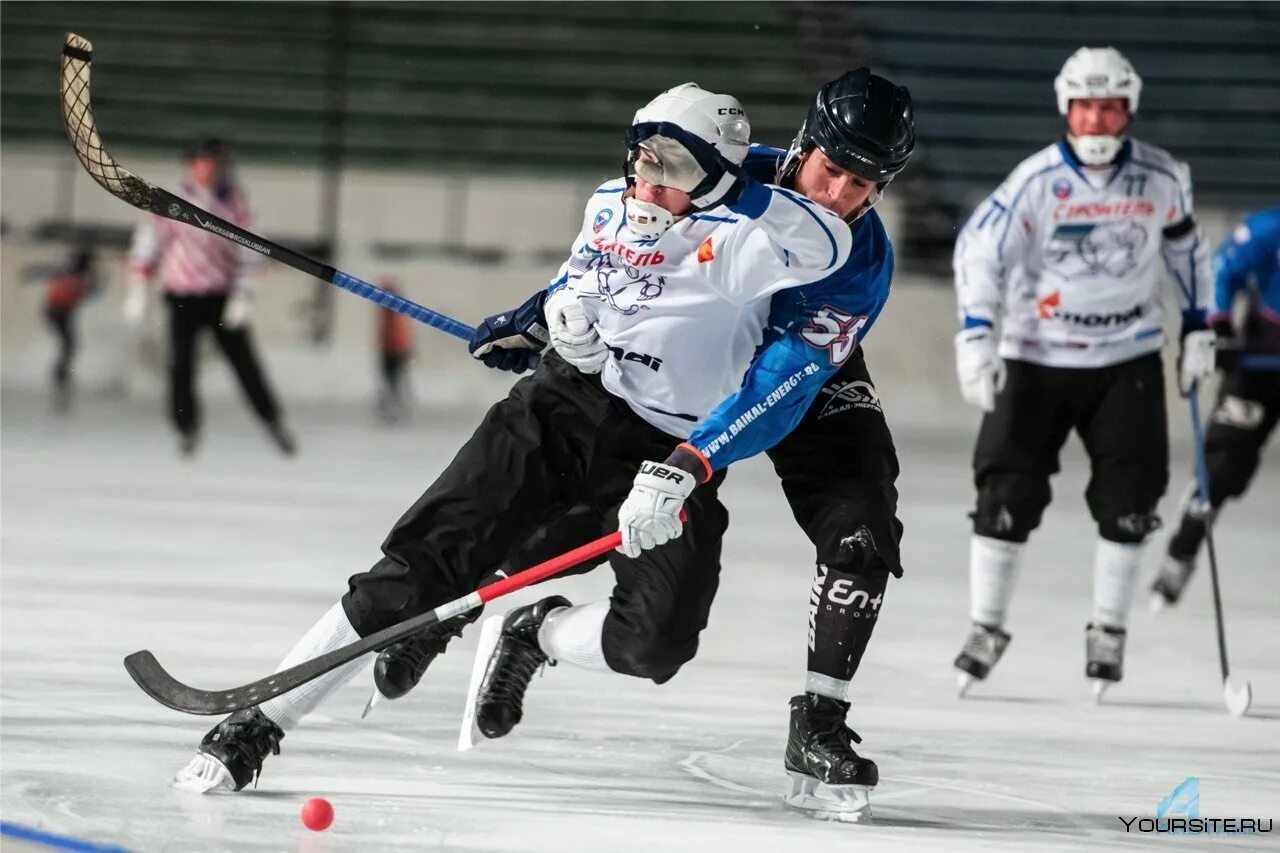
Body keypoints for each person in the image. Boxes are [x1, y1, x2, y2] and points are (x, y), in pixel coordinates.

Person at [171, 82, 890, 807]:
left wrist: (690, 461)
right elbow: (582, 278)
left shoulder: (751, 246)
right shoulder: (612, 201)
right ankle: (257, 724)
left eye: (676, 169)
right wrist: (538, 320)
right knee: (420, 565)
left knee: (658, 642)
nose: (651, 180)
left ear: (716, 183)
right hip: (565, 408)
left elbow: (815, 272)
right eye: (646, 159)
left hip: (674, 443)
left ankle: (532, 629)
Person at [385, 69, 914, 820]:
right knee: (571, 516)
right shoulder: (730, 173)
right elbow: (630, 247)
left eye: (864, 185)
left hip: (801, 370)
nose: (840, 197)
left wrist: (696, 457)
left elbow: (778, 382)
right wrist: (540, 313)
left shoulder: (859, 258)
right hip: (697, 365)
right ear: (802, 145)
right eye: (832, 170)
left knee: (861, 532)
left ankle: (819, 725)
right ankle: (457, 607)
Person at [950, 47, 1213, 699]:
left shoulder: (1162, 178)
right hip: (1036, 356)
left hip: (1127, 359)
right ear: (1067, 108)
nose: (1098, 121)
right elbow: (980, 251)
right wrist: (977, 334)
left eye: (1112, 107)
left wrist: (1203, 326)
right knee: (1004, 495)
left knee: (1132, 500)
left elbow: (1187, 250)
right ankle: (986, 625)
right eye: (1087, 107)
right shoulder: (1035, 182)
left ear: (1130, 109)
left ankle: (1109, 628)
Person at [126, 137, 296, 457]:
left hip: (220, 297)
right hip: (181, 296)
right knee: (181, 366)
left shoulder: (233, 203)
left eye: (212, 163)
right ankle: (186, 428)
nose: (207, 169)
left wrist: (243, 295)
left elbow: (250, 252)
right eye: (201, 162)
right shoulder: (172, 201)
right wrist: (138, 285)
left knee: (245, 365)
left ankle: (272, 421)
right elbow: (148, 244)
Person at [1152, 207, 1280, 606]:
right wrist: (1220, 327)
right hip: (1263, 365)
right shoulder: (1269, 228)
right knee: (1222, 467)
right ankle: (1180, 554)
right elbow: (1222, 270)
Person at [42, 247, 98, 411]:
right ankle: (60, 376)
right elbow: (86, 291)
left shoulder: (71, 273)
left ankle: (61, 374)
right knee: (69, 344)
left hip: (59, 311)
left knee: (69, 345)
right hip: (58, 311)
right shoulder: (77, 277)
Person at [375, 279, 414, 424]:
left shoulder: (393, 310)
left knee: (394, 381)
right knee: (392, 381)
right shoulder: (389, 310)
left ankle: (396, 408)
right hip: (392, 349)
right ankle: (394, 407)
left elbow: (399, 332)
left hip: (395, 350)